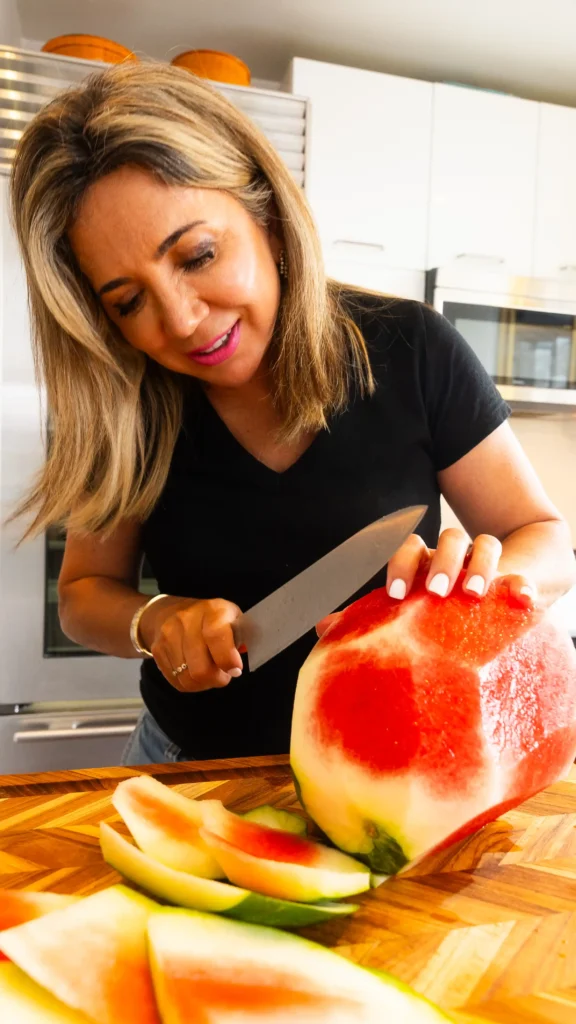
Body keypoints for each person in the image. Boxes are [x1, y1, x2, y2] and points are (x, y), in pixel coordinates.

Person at [8, 62, 575, 766]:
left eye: (198, 255)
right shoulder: (130, 400)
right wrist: (155, 619)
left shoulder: (412, 350)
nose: (181, 321)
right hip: (188, 763)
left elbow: (542, 536)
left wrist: (482, 582)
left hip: (391, 759)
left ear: (269, 217)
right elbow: (83, 594)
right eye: (128, 301)